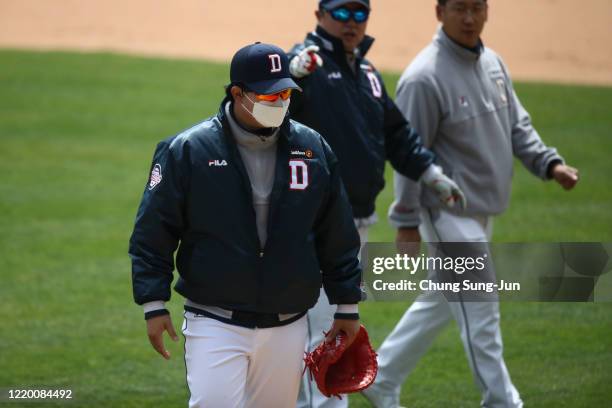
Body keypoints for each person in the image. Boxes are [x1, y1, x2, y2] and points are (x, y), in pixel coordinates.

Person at [362, 1, 580, 407]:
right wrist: (406, 219)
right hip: (445, 214)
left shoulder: (493, 63)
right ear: (439, 12)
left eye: (476, 8)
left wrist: (549, 164)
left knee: (443, 301)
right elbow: (409, 154)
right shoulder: (424, 78)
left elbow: (518, 125)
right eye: (459, 8)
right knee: (482, 312)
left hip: (481, 210)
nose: (468, 18)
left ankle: (382, 375)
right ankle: (502, 400)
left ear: (486, 12)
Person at [129, 42, 367, 408]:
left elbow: (336, 233)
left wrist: (347, 305)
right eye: (268, 95)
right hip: (214, 319)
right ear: (237, 93)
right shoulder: (189, 149)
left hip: (288, 323)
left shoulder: (313, 148)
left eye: (285, 93)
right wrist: (153, 303)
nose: (279, 102)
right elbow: (153, 230)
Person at [287, 1, 467, 406]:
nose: (352, 23)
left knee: (325, 330)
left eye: (359, 14)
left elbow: (398, 136)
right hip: (312, 226)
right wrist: (290, 75)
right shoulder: (305, 66)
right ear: (319, 16)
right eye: (341, 14)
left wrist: (431, 175)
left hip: (355, 224)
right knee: (331, 332)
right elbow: (269, 110)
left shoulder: (367, 74)